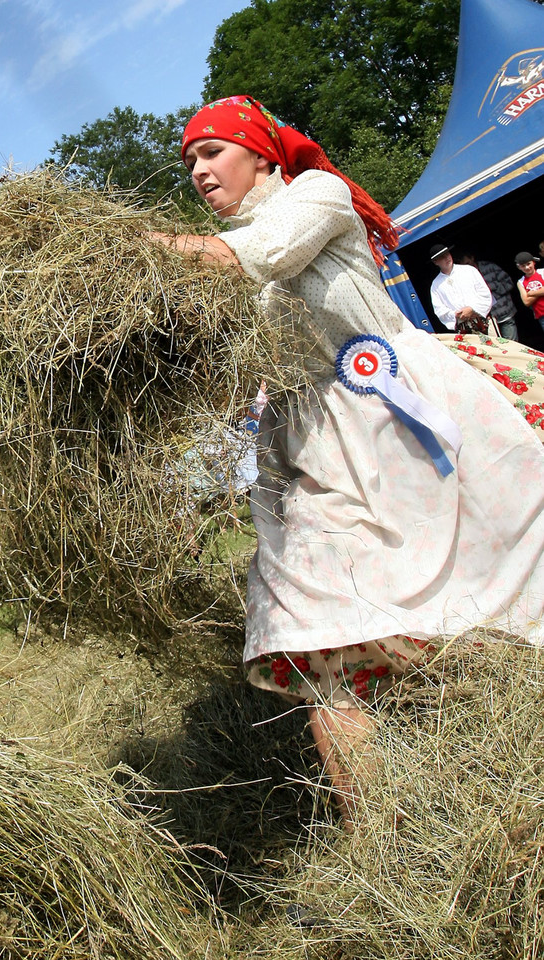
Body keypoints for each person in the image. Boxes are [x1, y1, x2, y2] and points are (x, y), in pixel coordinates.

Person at [152, 95, 544, 833]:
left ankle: (488, 753)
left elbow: (260, 255)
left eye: (211, 153)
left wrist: (132, 245)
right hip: (308, 445)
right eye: (189, 163)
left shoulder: (317, 197)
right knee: (310, 628)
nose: (198, 172)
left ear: (261, 153)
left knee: (482, 583)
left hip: (398, 411)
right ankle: (378, 839)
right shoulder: (214, 264)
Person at [429, 243, 493, 333]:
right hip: (463, 328)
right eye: (442, 257)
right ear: (435, 262)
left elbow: (484, 293)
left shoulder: (469, 270)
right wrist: (456, 315)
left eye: (447, 254)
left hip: (482, 320)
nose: (447, 258)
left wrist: (472, 309)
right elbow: (439, 309)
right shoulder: (436, 285)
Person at [459, 252, 519, 340]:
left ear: (472, 258)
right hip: (486, 321)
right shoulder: (462, 277)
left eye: (467, 263)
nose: (467, 267)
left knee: (513, 346)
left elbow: (509, 283)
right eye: (463, 265)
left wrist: (491, 286)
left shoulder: (489, 267)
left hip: (505, 314)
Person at [516, 251, 544, 332]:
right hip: (541, 315)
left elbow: (528, 297)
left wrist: (531, 293)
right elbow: (526, 302)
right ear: (519, 267)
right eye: (523, 266)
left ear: (533, 262)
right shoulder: (520, 282)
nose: (527, 267)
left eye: (528, 264)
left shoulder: (542, 272)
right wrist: (541, 291)